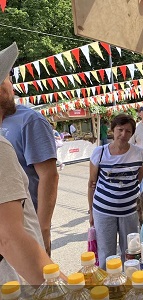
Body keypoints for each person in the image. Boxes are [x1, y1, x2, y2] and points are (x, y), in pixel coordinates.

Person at [0, 42, 56, 286]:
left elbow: (48, 174)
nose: (12, 84)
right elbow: (9, 237)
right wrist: (64, 290)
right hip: (13, 273)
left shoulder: (30, 120)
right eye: (8, 77)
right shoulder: (1, 146)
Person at [88, 113, 143, 269]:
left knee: (130, 251)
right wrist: (91, 212)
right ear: (112, 130)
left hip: (129, 211)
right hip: (103, 210)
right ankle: (108, 288)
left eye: (128, 131)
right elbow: (92, 183)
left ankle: (129, 284)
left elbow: (137, 181)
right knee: (106, 252)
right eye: (120, 129)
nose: (123, 134)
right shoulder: (99, 153)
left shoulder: (140, 154)